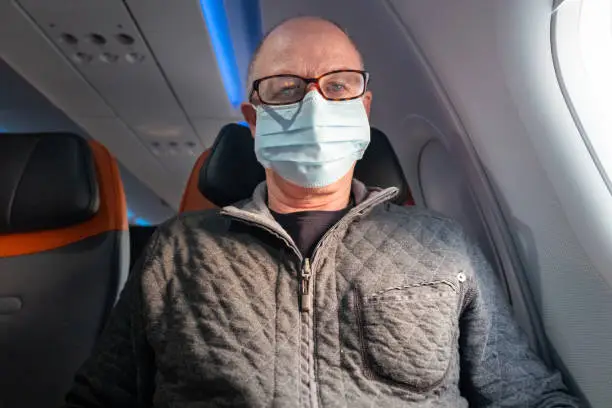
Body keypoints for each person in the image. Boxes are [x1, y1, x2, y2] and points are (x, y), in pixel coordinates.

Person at [64, 16, 581, 408]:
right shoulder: (178, 250)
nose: (314, 105)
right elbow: (99, 397)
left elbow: (526, 393)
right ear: (253, 119)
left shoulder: (441, 244)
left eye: (337, 86)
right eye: (286, 89)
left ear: (364, 108)